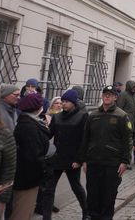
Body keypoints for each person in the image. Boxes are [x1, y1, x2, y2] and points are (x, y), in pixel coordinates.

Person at [76, 85, 132, 220]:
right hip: (93, 162)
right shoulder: (93, 115)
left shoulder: (122, 116)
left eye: (110, 94)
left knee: (108, 197)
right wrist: (83, 160)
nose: (107, 96)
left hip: (112, 164)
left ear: (115, 97)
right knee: (93, 197)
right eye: (105, 94)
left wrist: (125, 161)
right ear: (102, 96)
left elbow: (127, 141)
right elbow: (85, 138)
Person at [42, 89, 88, 220]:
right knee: (49, 190)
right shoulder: (57, 117)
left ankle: (86, 212)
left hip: (72, 160)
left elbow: (84, 140)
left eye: (66, 101)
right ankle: (46, 217)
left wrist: (79, 159)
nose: (63, 104)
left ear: (73, 103)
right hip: (56, 159)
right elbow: (49, 135)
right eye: (62, 101)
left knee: (76, 187)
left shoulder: (82, 116)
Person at [12, 92, 51, 220]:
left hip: (29, 177)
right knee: (22, 212)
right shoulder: (29, 126)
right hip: (27, 178)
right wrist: (45, 170)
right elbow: (33, 156)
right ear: (37, 108)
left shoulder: (31, 122)